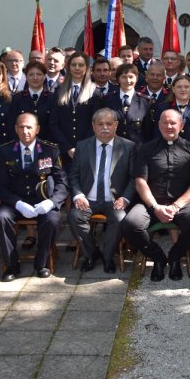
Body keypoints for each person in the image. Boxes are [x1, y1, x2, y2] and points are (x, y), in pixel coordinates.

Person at [120, 109, 190, 281]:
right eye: (164, 122)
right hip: (150, 203)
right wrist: (155, 207)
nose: (169, 126)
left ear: (181, 126)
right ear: (159, 125)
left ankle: (175, 257)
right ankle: (158, 257)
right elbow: (140, 182)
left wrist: (176, 206)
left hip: (180, 204)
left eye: (173, 123)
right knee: (130, 224)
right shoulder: (146, 149)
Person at [0, 113, 69, 280]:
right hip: (15, 201)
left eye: (29, 127)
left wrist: (51, 202)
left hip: (42, 200)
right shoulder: (5, 151)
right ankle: (11, 266)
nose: (25, 131)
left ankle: (41, 264)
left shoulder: (51, 150)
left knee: (53, 220)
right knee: (0, 218)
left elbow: (62, 183)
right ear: (15, 129)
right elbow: (2, 186)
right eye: (21, 127)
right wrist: (17, 203)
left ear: (38, 129)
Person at [67, 108, 136, 273]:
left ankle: (107, 257)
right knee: (74, 217)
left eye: (109, 124)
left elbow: (135, 177)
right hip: (88, 199)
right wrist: (78, 195)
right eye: (100, 124)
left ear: (116, 126)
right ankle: (91, 254)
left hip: (114, 200)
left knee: (120, 218)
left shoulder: (128, 147)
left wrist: (125, 198)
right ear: (93, 126)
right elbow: (73, 175)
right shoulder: (82, 146)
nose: (105, 127)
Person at [49, 51, 96, 167]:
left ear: (87, 68)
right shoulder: (59, 91)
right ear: (68, 67)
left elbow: (95, 123)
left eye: (81, 65)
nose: (77, 68)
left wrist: (81, 147)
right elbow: (54, 123)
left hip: (87, 149)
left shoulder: (94, 91)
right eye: (73, 65)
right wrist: (68, 147)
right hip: (63, 150)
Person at [154, 75, 190, 155]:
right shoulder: (163, 108)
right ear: (173, 89)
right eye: (179, 87)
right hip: (168, 155)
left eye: (186, 87)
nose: (183, 89)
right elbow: (157, 134)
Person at [101, 62, 154, 146]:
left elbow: (148, 131)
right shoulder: (107, 99)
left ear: (136, 78)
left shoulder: (145, 101)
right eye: (124, 77)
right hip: (114, 149)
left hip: (136, 151)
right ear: (118, 79)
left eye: (131, 77)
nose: (128, 81)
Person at [9, 60, 56, 144]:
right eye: (31, 74)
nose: (35, 77)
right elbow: (12, 124)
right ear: (26, 77)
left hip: (47, 146)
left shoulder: (52, 98)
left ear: (44, 76)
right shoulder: (17, 98)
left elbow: (55, 125)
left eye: (39, 74)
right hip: (22, 145)